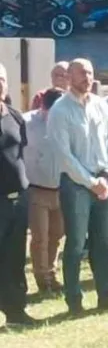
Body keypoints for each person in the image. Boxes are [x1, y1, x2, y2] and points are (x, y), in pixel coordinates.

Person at [47, 59, 108, 315]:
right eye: (81, 73)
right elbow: (64, 155)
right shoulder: (60, 110)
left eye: (90, 72)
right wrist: (91, 183)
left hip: (105, 181)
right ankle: (74, 301)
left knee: (106, 242)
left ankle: (106, 295)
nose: (86, 77)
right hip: (77, 184)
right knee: (76, 244)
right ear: (68, 76)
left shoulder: (102, 105)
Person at [0, 63, 35, 326]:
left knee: (15, 257)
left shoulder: (14, 116)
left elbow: (20, 154)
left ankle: (16, 312)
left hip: (18, 199)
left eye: (1, 79)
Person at [23, 87, 65, 297]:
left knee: (57, 234)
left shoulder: (67, 123)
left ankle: (52, 273)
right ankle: (42, 280)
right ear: (44, 107)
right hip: (35, 188)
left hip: (61, 188)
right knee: (40, 236)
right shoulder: (26, 123)